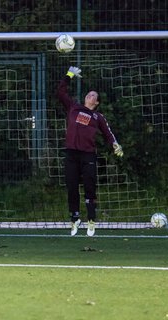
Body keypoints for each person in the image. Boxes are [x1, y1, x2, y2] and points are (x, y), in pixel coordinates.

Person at [57, 66, 123, 237]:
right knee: (72, 187)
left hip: (88, 155)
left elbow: (108, 133)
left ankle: (91, 220)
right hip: (71, 153)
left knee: (89, 188)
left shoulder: (98, 117)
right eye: (89, 93)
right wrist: (69, 75)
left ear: (97, 102)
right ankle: (75, 218)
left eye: (94, 95)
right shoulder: (74, 107)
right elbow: (60, 92)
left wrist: (115, 145)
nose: (90, 95)